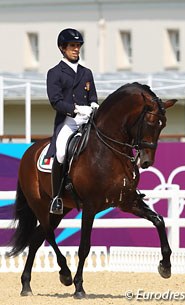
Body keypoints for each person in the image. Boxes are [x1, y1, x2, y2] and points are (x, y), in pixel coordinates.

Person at [45, 28, 99, 215]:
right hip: (68, 121)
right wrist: (75, 109)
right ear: (62, 48)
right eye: (72, 46)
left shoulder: (86, 72)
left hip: (88, 120)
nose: (76, 49)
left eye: (78, 46)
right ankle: (57, 197)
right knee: (60, 153)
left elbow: (92, 96)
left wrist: (92, 105)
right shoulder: (55, 72)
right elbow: (55, 101)